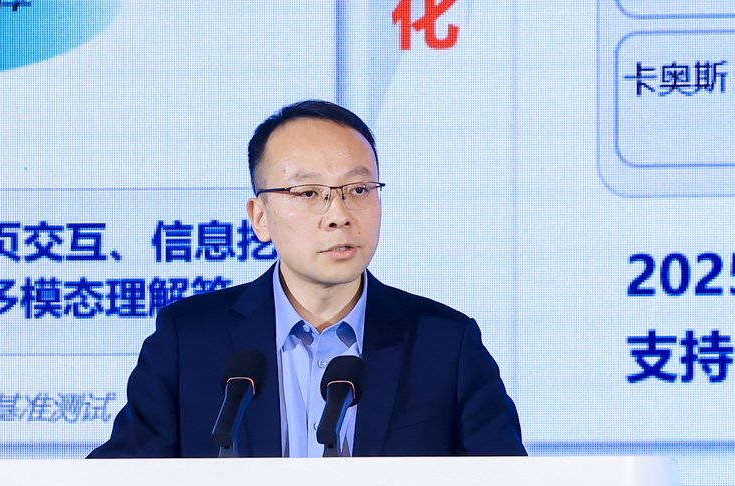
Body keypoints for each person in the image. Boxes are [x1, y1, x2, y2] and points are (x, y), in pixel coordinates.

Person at [90, 99, 525, 458]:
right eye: (309, 193)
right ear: (260, 217)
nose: (339, 215)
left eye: (359, 190)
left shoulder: (446, 344)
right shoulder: (189, 340)